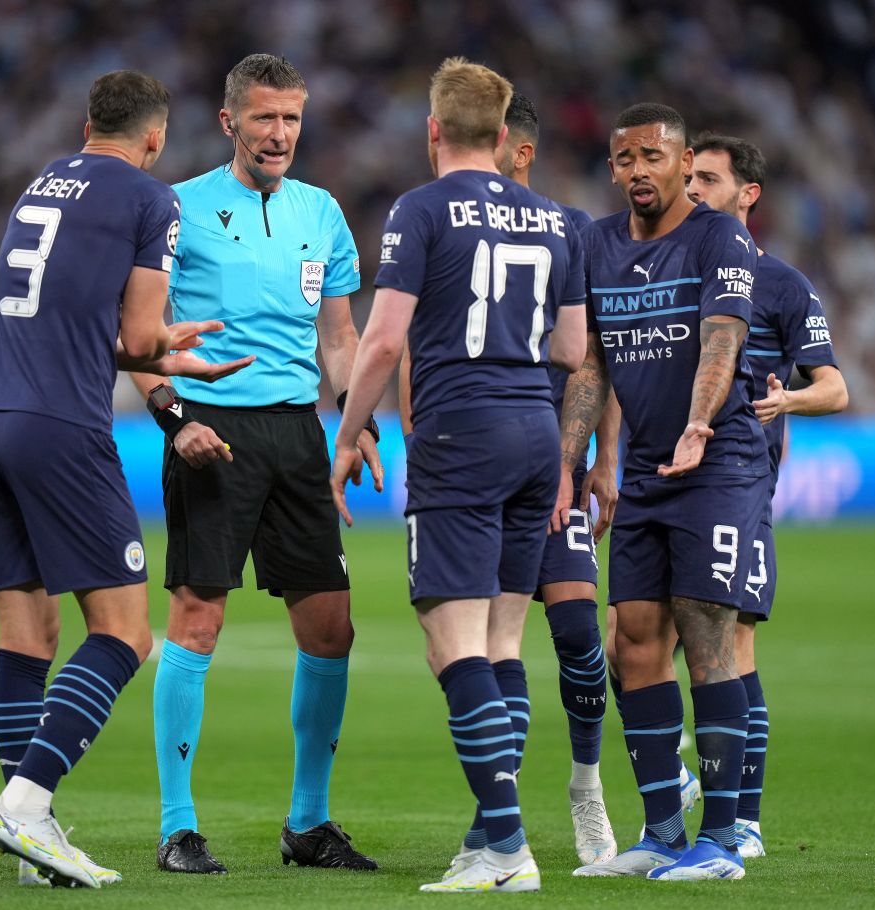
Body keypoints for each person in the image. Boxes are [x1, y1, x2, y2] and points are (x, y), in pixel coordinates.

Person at [0, 70, 252, 889]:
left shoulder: (41, 183)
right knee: (125, 634)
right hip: (62, 426)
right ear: (155, 137)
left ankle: (31, 836)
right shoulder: (149, 199)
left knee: (27, 637)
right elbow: (135, 339)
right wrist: (178, 350)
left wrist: (157, 348)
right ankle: (25, 805)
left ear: (88, 121)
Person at [333, 58, 587, 893]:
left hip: (459, 436)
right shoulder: (556, 219)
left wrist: (348, 431)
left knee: (452, 647)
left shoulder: (420, 209)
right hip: (535, 433)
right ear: (506, 136)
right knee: (502, 642)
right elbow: (571, 350)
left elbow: (381, 340)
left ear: (434, 131)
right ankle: (487, 840)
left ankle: (508, 849)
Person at [129, 53, 381, 876]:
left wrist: (357, 421)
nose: (279, 134)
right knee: (197, 620)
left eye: (291, 118)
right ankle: (177, 828)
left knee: (332, 627)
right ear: (229, 121)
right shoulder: (177, 208)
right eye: (265, 118)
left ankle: (308, 823)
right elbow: (135, 334)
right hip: (212, 429)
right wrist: (173, 419)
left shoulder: (321, 211)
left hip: (298, 434)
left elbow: (338, 336)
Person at [396, 90, 620, 869]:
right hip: (495, 454)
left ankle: (583, 787)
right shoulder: (460, 225)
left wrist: (591, 460)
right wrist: (416, 435)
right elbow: (415, 349)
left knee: (572, 632)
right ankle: (496, 827)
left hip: (543, 460)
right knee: (496, 643)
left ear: (516, 150)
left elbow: (593, 359)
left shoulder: (566, 228)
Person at [559, 102, 764, 882]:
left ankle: (722, 841)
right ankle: (662, 835)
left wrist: (699, 421)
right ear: (612, 168)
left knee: (706, 637)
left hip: (716, 462)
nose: (638, 170)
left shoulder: (718, 237)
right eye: (625, 158)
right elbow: (592, 363)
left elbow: (722, 335)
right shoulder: (597, 243)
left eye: (653, 156)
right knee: (635, 641)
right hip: (646, 468)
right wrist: (569, 460)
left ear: (683, 164)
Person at [686, 131, 847, 859]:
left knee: (733, 641)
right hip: (663, 479)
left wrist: (787, 402)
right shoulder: (669, 268)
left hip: (740, 484)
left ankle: (742, 819)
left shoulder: (782, 285)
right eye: (690, 177)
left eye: (708, 179)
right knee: (633, 639)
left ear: (747, 194)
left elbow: (834, 388)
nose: (694, 190)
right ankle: (673, 785)